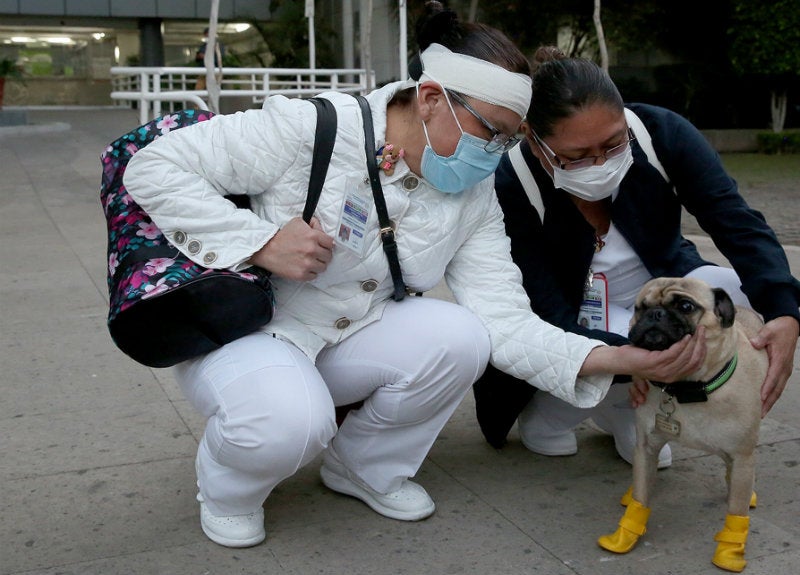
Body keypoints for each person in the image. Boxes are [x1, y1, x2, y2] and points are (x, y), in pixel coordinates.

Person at [123, 5, 705, 549]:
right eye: (492, 133)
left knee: (461, 336)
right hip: (250, 327)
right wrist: (261, 242)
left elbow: (502, 318)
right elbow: (154, 166)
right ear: (430, 98)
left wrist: (620, 360)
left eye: (511, 140)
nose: (499, 154)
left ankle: (363, 466)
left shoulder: (474, 196)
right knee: (288, 424)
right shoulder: (311, 129)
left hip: (352, 334)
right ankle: (228, 485)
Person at [473, 46, 800, 466]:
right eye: (576, 157)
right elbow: (545, 309)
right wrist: (633, 360)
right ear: (534, 141)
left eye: (613, 143)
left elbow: (736, 223)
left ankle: (632, 401)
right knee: (600, 362)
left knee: (744, 298)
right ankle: (558, 414)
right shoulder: (512, 183)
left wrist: (785, 313)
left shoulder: (661, 133)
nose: (602, 163)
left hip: (660, 286)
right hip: (576, 311)